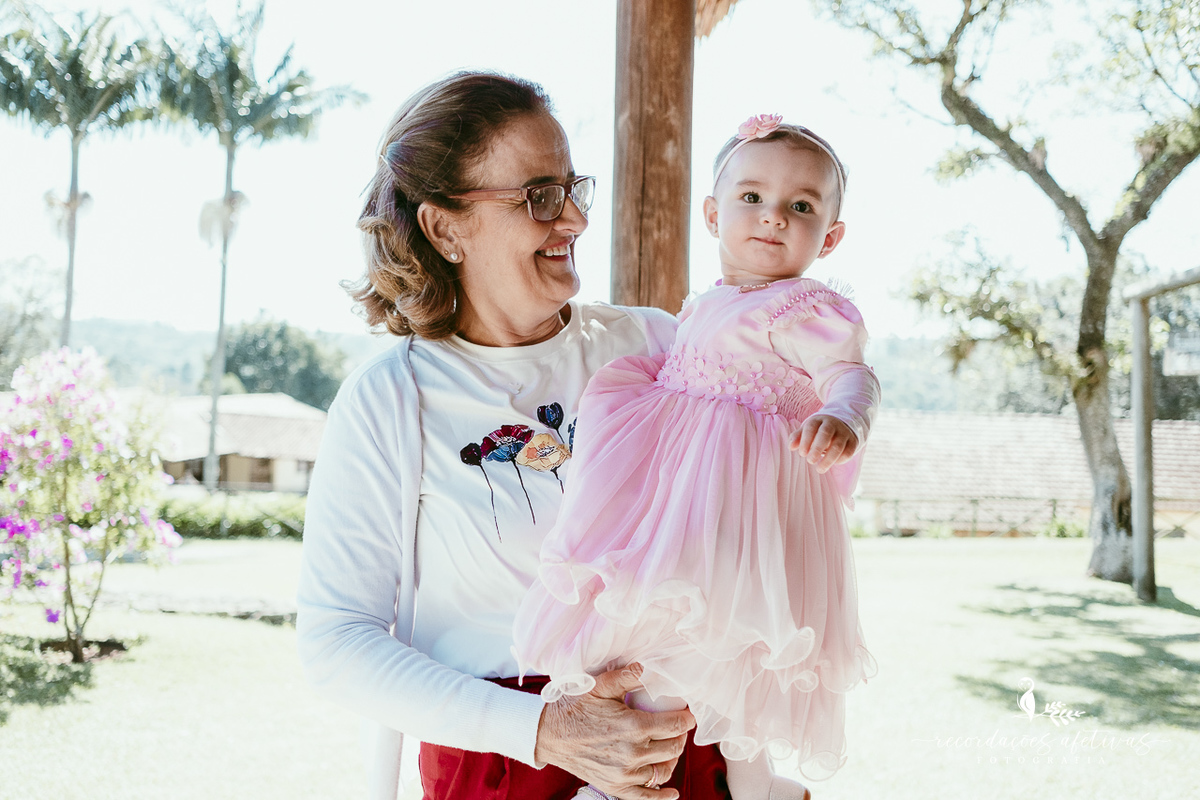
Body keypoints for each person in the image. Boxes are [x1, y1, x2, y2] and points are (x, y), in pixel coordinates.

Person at [295, 71, 734, 800]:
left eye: (571, 188)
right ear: (445, 227)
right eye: (538, 197)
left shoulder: (658, 348)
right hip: (503, 766)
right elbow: (335, 641)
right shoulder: (390, 399)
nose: (573, 220)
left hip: (677, 746)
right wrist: (546, 729)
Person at [513, 115, 881, 800]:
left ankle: (650, 786)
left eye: (800, 206)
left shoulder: (807, 308)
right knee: (676, 645)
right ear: (713, 214)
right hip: (689, 507)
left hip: (739, 520)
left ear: (828, 236)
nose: (773, 217)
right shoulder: (706, 304)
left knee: (690, 648)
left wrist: (843, 415)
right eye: (751, 198)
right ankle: (746, 786)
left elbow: (850, 373)